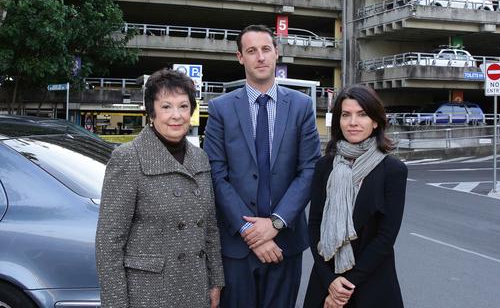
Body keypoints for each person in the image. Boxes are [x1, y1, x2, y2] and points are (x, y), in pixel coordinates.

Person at [204, 24, 321, 308]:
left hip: (285, 243)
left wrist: (276, 223)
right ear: (240, 57)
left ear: (276, 54)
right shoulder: (220, 109)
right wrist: (251, 233)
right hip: (236, 246)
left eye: (266, 49)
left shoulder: (302, 106)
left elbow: (309, 170)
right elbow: (216, 176)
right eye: (251, 51)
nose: (260, 57)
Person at [96, 69, 224, 308]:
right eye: (166, 107)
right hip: (148, 293)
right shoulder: (128, 158)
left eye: (183, 106)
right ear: (151, 112)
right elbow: (109, 242)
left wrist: (215, 281)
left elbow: (210, 228)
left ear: (192, 111)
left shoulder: (200, 158)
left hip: (195, 287)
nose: (176, 115)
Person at [303, 84, 407, 308]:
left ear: (376, 121)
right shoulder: (324, 166)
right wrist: (331, 282)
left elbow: (386, 237)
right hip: (325, 281)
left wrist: (345, 287)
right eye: (346, 115)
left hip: (373, 285)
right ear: (338, 121)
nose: (353, 122)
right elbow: (314, 227)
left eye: (362, 114)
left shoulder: (393, 170)